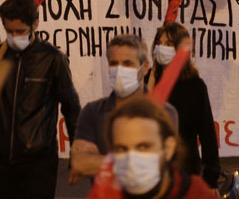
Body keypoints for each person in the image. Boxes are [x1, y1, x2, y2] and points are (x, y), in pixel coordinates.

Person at [0, 0, 81, 199]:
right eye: (9, 31)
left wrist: (77, 154)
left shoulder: (52, 59)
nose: (14, 37)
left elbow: (72, 109)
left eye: (20, 31)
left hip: (38, 163)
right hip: (1, 161)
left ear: (35, 24)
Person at [71, 35, 179, 181]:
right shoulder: (92, 111)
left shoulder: (164, 112)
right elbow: (79, 163)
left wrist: (101, 162)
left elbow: (161, 165)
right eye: (114, 64)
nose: (119, 70)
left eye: (127, 64)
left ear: (145, 67)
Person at [150, 23, 221, 188]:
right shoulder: (148, 82)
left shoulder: (195, 86)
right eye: (159, 43)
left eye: (169, 44)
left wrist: (211, 179)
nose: (161, 48)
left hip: (184, 172)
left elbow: (208, 135)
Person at [105, 96, 216, 198]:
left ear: (168, 148)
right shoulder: (105, 194)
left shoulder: (196, 194)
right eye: (121, 149)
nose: (131, 160)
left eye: (143, 147)